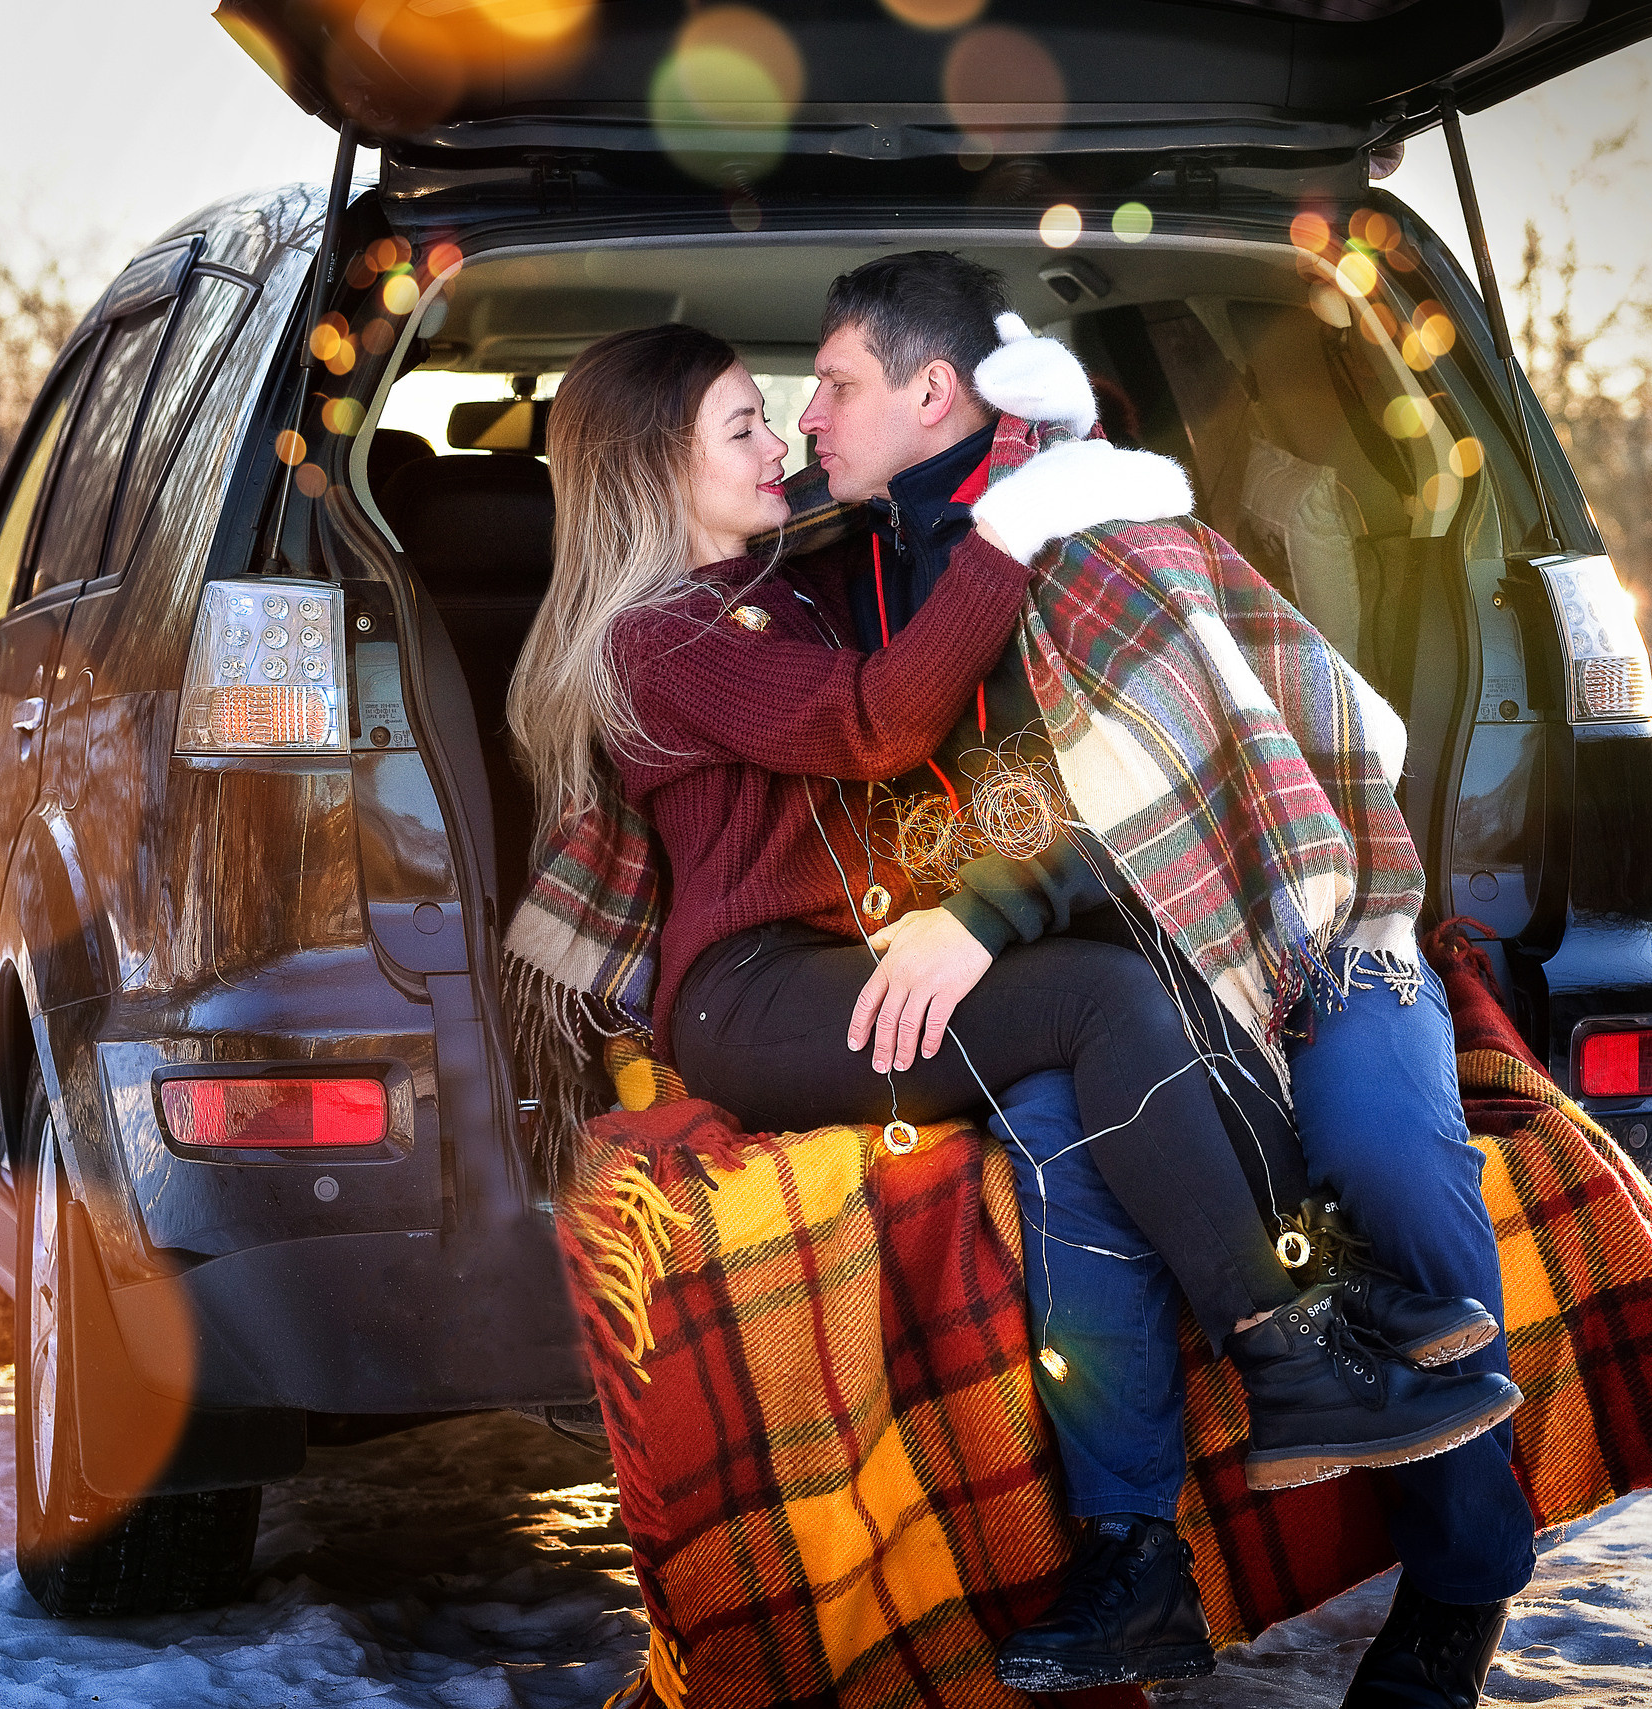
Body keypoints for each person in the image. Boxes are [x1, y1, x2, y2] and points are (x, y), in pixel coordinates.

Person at [503, 319, 1518, 1700]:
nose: (785, 436)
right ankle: (1292, 1343)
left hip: (841, 965)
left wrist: (1051, 455)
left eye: (796, 404)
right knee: (1099, 1000)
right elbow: (874, 723)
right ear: (651, 471)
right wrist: (1008, 534)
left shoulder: (797, 584)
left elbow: (949, 504)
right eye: (745, 424)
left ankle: (1227, 1448)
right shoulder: (658, 639)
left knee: (1107, 1016)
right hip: (754, 997)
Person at [784, 253, 1537, 1709]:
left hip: (1299, 922)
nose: (808, 411)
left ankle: (1462, 1580)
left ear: (933, 391)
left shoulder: (1106, 523)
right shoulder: (886, 563)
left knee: (1380, 1148)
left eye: (834, 381)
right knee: (1061, 1138)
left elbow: (1183, 772)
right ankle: (1135, 1563)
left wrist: (980, 919)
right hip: (1113, 970)